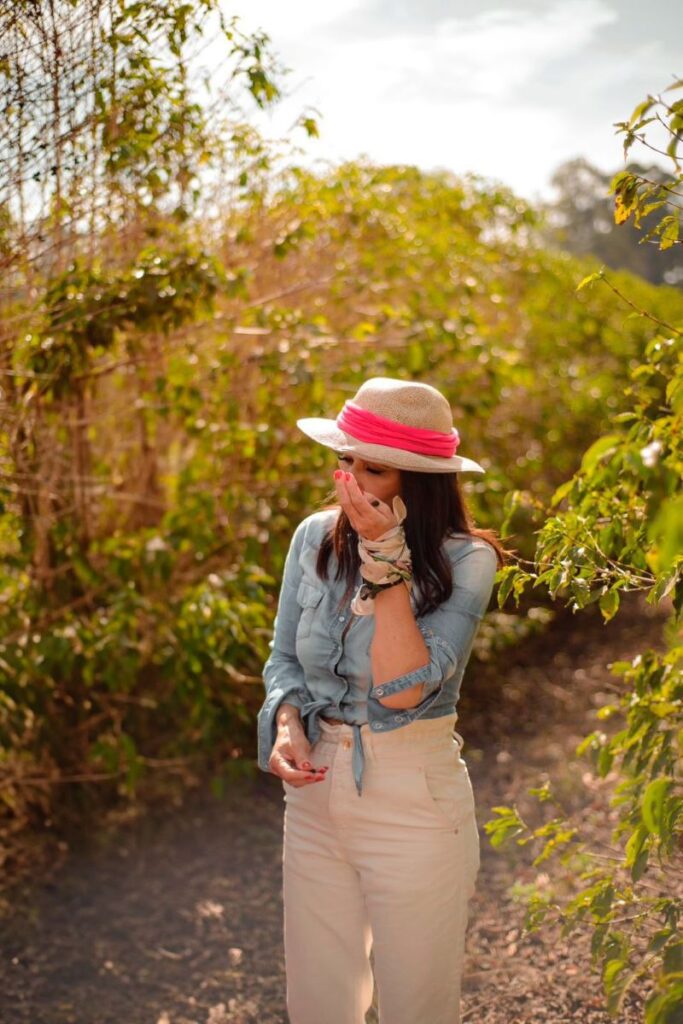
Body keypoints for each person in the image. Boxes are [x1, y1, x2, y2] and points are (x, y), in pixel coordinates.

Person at [256, 377, 507, 1024]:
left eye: (372, 469)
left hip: (411, 798)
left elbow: (406, 690)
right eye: (344, 461)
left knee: (415, 1003)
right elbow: (285, 660)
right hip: (313, 793)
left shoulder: (468, 559)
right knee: (319, 1001)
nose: (349, 482)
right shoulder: (312, 537)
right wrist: (286, 724)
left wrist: (385, 562)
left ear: (418, 484)